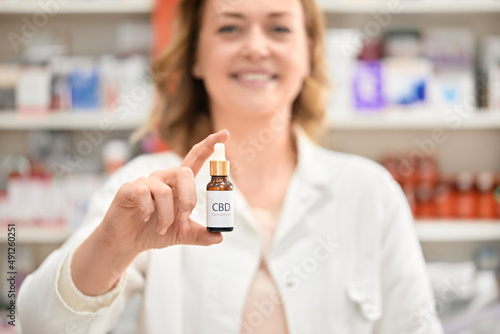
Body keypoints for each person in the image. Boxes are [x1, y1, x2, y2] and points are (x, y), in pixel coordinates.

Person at [18, 0, 444, 333]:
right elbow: (41, 325)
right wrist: (112, 248)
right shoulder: (146, 187)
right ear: (196, 58)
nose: (256, 47)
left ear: (310, 51)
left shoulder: (368, 192)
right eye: (229, 27)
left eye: (279, 28)